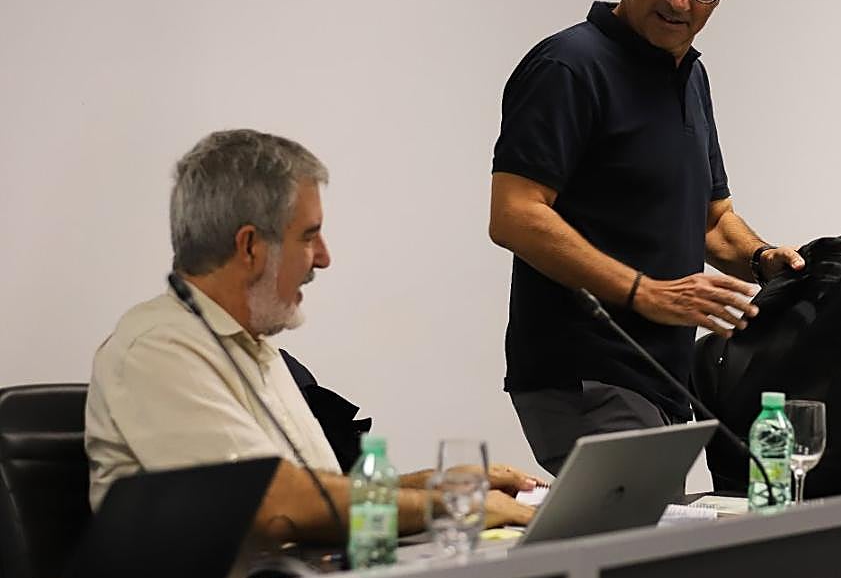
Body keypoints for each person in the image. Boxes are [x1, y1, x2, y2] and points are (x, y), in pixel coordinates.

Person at [87, 129, 536, 548]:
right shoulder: (156, 349)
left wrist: (440, 486)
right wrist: (454, 506)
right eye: (309, 236)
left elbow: (320, 495)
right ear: (249, 247)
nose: (323, 258)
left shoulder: (252, 347)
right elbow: (276, 506)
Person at [489, 0, 804, 474]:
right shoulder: (568, 67)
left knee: (650, 555)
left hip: (662, 371)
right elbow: (514, 214)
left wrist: (763, 261)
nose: (683, 1)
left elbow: (712, 219)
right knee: (630, 558)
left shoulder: (689, 75)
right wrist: (645, 293)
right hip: (586, 368)